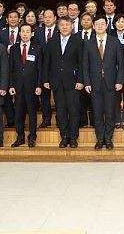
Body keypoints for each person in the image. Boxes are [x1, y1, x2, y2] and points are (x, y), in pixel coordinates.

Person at [43, 16, 84, 148]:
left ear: (72, 26)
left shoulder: (79, 41)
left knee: (73, 110)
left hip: (73, 82)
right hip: (56, 81)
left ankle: (73, 137)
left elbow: (82, 63)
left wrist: (81, 80)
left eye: (67, 25)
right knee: (60, 111)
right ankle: (64, 136)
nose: (65, 27)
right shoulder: (52, 41)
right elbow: (47, 61)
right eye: (62, 25)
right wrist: (46, 79)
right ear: (58, 27)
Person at [83, 15, 124, 150]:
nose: (100, 26)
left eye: (102, 24)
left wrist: (119, 81)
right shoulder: (88, 43)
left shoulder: (114, 42)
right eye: (97, 24)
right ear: (93, 27)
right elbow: (85, 65)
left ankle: (108, 138)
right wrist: (87, 82)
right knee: (97, 113)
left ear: (106, 26)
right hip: (94, 83)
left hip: (111, 83)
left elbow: (121, 63)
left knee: (110, 113)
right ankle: (100, 139)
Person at [9, 23, 43, 148]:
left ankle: (32, 137)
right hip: (17, 87)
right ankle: (20, 137)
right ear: (19, 33)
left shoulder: (37, 48)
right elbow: (10, 69)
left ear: (32, 34)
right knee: (18, 113)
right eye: (23, 31)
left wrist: (39, 85)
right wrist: (11, 85)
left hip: (32, 87)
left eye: (27, 31)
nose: (25, 34)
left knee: (32, 113)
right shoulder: (14, 48)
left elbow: (40, 69)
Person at [34, 8, 58, 128]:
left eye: (50, 17)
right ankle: (46, 118)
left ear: (55, 18)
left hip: (57, 68)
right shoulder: (38, 32)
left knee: (59, 95)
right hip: (43, 67)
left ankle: (60, 118)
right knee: (44, 95)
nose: (47, 19)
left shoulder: (61, 30)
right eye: (45, 17)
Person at [112, 13, 124, 129]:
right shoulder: (110, 35)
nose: (120, 24)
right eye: (118, 21)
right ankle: (116, 119)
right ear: (114, 24)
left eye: (123, 21)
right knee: (115, 95)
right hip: (113, 69)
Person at [78, 11, 95, 128]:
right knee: (80, 98)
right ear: (80, 22)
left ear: (92, 22)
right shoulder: (75, 36)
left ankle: (94, 121)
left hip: (93, 71)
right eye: (84, 20)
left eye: (88, 20)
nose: (86, 22)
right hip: (79, 71)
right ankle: (82, 120)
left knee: (93, 98)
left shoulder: (97, 35)